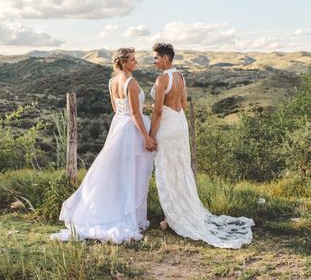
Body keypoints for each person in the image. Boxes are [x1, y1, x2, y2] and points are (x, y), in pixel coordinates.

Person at [150, 42, 254, 248]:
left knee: (168, 171)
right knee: (180, 170)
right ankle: (177, 213)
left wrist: (151, 135)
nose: (153, 61)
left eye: (155, 58)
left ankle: (171, 218)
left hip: (168, 127)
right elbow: (184, 103)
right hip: (180, 125)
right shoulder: (180, 76)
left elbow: (158, 111)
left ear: (165, 59)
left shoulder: (162, 79)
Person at [50, 47, 156, 243]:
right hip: (131, 130)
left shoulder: (111, 81)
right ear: (124, 62)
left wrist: (140, 108)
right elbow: (134, 114)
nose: (136, 63)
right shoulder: (131, 82)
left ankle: (114, 210)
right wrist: (146, 137)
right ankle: (125, 215)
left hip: (118, 126)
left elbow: (117, 109)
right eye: (133, 60)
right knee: (132, 173)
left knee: (115, 172)